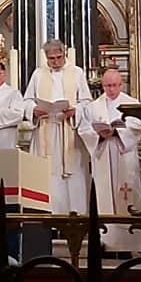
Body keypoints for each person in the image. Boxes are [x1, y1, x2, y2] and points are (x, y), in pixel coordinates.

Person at [78, 68, 141, 253]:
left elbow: (139, 126)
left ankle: (131, 244)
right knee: (103, 195)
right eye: (108, 85)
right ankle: (106, 242)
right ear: (102, 85)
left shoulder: (131, 104)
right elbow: (84, 130)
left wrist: (117, 131)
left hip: (123, 152)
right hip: (103, 154)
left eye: (115, 85)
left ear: (121, 84)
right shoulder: (93, 106)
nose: (111, 89)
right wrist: (99, 133)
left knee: (127, 194)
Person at [24, 39, 92, 214]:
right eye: (51, 58)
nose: (55, 62)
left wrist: (75, 110)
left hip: (69, 130)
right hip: (46, 129)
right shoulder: (38, 74)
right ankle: (49, 218)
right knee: (47, 175)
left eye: (58, 57)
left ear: (65, 53)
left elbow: (86, 101)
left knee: (73, 175)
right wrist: (33, 109)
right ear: (45, 57)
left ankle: (75, 216)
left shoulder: (77, 73)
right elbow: (27, 100)